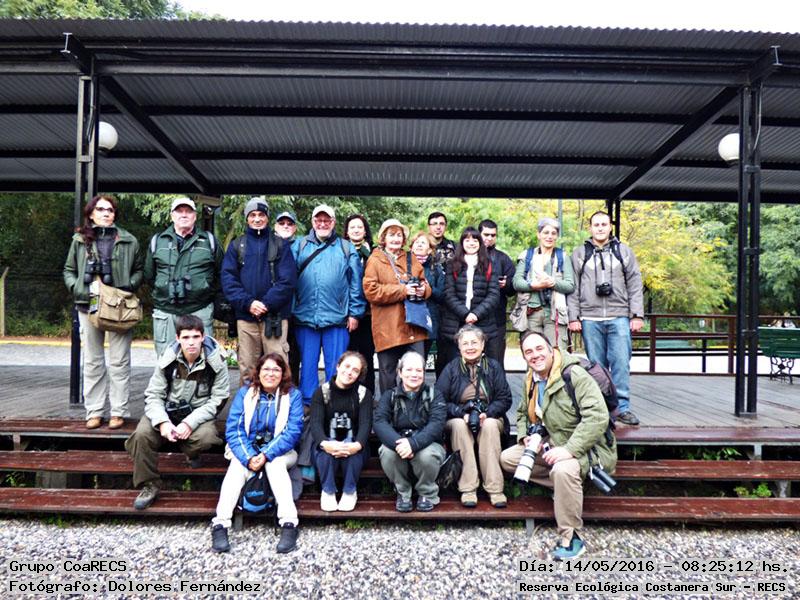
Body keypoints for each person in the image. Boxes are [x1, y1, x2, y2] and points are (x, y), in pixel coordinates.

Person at [500, 331, 617, 560]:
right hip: (551, 442)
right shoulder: (531, 378)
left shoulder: (573, 375)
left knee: (563, 470)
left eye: (539, 349)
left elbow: (597, 417)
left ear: (551, 348)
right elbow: (523, 413)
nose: (535, 355)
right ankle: (567, 488)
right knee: (508, 459)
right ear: (524, 356)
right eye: (528, 352)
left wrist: (569, 450)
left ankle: (571, 537)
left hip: (589, 448)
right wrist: (525, 437)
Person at [125, 314, 229, 511]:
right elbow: (153, 395)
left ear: (203, 337)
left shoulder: (216, 362)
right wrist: (163, 422)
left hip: (198, 415)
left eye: (195, 337)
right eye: (186, 337)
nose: (191, 342)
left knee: (207, 438)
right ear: (178, 338)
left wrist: (189, 423)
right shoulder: (167, 360)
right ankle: (149, 485)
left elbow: (218, 399)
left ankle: (190, 451)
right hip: (166, 411)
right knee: (141, 436)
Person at [63, 194, 144, 430]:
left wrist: (128, 285)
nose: (106, 213)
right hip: (87, 305)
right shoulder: (80, 240)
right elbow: (68, 270)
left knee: (120, 361)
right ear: (91, 214)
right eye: (100, 209)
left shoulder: (128, 240)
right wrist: (78, 288)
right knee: (92, 361)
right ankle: (95, 411)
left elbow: (140, 270)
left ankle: (118, 411)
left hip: (119, 306)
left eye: (110, 210)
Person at [210, 352, 304, 554]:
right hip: (248, 450)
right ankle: (220, 524)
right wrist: (249, 457)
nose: (271, 374)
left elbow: (292, 432)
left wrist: (266, 454)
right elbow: (234, 430)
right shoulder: (245, 393)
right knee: (237, 466)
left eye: (276, 370)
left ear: (283, 373)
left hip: (282, 451)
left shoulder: (293, 395)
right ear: (258, 372)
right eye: (266, 369)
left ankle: (289, 523)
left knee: (274, 464)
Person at [567, 211, 644, 426]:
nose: (600, 228)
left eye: (604, 224)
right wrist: (574, 317)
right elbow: (573, 288)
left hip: (619, 315)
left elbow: (635, 284)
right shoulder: (580, 253)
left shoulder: (624, 252)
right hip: (589, 318)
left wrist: (636, 315)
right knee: (596, 367)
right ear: (590, 228)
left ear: (610, 227)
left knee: (621, 363)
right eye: (596, 225)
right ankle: (601, 408)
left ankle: (622, 408)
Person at [292, 204, 366, 405]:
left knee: (337, 367)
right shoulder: (299, 246)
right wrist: (291, 310)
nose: (322, 224)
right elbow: (288, 280)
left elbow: (356, 284)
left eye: (327, 220)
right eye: (319, 220)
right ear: (313, 222)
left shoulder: (346, 248)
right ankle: (309, 404)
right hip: (305, 317)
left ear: (333, 223)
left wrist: (355, 313)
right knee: (307, 365)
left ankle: (335, 404)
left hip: (337, 319)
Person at [221, 197, 297, 383]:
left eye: (261, 215)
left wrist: (266, 304)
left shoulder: (281, 245)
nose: (257, 219)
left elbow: (288, 280)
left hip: (275, 317)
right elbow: (228, 280)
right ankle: (249, 401)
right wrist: (248, 303)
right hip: (246, 317)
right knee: (247, 367)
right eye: (252, 215)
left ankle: (280, 400)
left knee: (278, 366)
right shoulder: (237, 245)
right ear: (247, 218)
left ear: (267, 217)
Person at [435, 325, 512, 508]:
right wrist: (461, 413)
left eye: (474, 342)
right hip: (458, 416)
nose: (470, 347)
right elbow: (439, 401)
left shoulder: (493, 367)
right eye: (465, 343)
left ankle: (495, 488)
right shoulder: (451, 368)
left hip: (489, 414)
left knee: (490, 426)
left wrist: (487, 413)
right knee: (459, 426)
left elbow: (504, 398)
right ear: (459, 346)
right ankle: (468, 488)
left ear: (483, 344)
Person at [145, 197, 223, 358]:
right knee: (166, 360)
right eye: (179, 211)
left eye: (188, 211)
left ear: (195, 216)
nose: (184, 215)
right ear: (172, 216)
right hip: (166, 310)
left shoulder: (209, 241)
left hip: (199, 309)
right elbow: (149, 275)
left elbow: (221, 274)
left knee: (204, 359)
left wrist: (204, 290)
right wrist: (163, 288)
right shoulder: (158, 241)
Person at [363, 219, 431, 394]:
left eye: (399, 235)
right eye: (391, 235)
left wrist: (423, 290)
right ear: (383, 238)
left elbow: (425, 283)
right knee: (388, 373)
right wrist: (402, 290)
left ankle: (415, 407)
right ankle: (389, 407)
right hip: (388, 327)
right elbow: (371, 291)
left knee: (416, 370)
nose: (395, 239)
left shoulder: (411, 257)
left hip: (414, 325)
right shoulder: (375, 260)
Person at [374, 351, 446, 512]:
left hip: (428, 444)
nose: (414, 374)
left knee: (427, 455)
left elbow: (436, 424)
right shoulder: (389, 395)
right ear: (400, 372)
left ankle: (427, 492)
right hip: (398, 441)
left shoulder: (435, 395)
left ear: (424, 373)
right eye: (409, 370)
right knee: (387, 452)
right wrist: (400, 444)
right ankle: (403, 492)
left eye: (419, 370)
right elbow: (379, 422)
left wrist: (413, 444)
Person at [310, 351, 373, 512]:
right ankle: (328, 491)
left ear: (359, 375)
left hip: (355, 444)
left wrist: (356, 445)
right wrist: (325, 444)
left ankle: (349, 491)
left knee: (354, 455)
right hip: (326, 443)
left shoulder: (363, 394)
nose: (349, 372)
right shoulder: (321, 392)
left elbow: (366, 424)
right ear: (338, 366)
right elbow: (315, 424)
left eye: (355, 370)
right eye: (347, 366)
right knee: (324, 454)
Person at [439, 227, 501, 367]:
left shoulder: (489, 264)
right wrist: (465, 314)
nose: (471, 243)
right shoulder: (452, 264)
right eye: (467, 240)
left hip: (483, 323)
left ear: (480, 243)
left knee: (485, 367)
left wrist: (476, 314)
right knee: (455, 365)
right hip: (456, 323)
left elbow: (493, 294)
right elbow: (448, 293)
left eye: (475, 240)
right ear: (462, 243)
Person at [513, 218, 575, 352]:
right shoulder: (527, 255)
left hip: (555, 314)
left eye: (553, 233)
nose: (549, 236)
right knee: (533, 354)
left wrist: (552, 283)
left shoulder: (563, 257)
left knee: (557, 354)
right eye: (546, 232)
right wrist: (533, 285)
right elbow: (517, 282)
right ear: (538, 234)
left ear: (557, 236)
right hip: (531, 313)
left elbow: (570, 285)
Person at [343, 214, 377, 393]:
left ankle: (368, 394)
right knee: (348, 355)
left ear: (365, 231)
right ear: (347, 232)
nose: (356, 230)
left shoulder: (375, 252)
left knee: (367, 355)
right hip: (346, 312)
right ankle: (348, 393)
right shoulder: (341, 250)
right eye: (352, 227)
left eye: (359, 227)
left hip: (370, 313)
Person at [479, 219, 517, 365]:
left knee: (496, 362)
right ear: (479, 234)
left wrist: (506, 284)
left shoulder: (503, 258)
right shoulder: (467, 257)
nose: (489, 238)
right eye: (486, 234)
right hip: (472, 318)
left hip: (496, 319)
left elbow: (513, 286)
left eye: (493, 235)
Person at [273, 209, 301, 384]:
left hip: (297, 309)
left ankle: (292, 388)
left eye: (289, 223)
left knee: (295, 354)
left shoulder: (302, 246)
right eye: (282, 223)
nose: (285, 226)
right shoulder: (268, 244)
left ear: (295, 227)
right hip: (274, 309)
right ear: (275, 226)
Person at [409, 232, 445, 365]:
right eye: (416, 242)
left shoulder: (436, 269)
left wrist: (429, 289)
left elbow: (443, 295)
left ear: (430, 249)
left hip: (429, 320)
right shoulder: (403, 266)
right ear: (411, 247)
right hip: (408, 320)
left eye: (423, 243)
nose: (419, 245)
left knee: (421, 360)